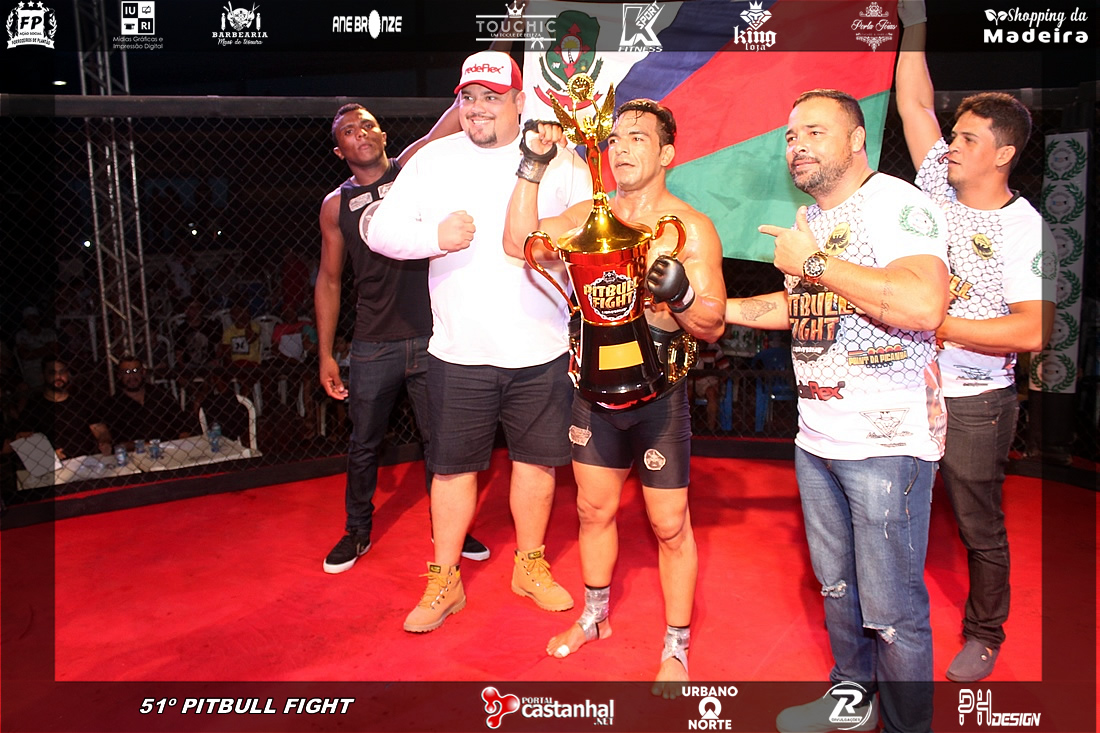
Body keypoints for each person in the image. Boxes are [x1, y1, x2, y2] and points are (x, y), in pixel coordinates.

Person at [724, 89, 950, 733]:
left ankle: (907, 726)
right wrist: (706, 309)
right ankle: (852, 700)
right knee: (838, 588)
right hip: (818, 437)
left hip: (887, 441)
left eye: (814, 132)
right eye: (791, 135)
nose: (797, 145)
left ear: (856, 140)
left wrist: (816, 263)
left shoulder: (898, 204)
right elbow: (806, 307)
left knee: (892, 611)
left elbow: (923, 305)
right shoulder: (812, 220)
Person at [502, 99, 726, 692]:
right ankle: (595, 617)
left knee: (669, 525)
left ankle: (676, 647)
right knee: (591, 510)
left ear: (667, 153)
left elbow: (711, 324)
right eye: (616, 138)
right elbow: (517, 243)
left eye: (638, 138)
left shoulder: (689, 227)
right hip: (593, 393)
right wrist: (532, 164)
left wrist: (681, 296)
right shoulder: (585, 218)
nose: (622, 148)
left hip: (659, 396)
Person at [366, 50, 593, 632]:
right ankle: (444, 580)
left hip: (541, 347)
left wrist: (557, 251)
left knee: (538, 464)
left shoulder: (561, 159)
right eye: (468, 97)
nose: (477, 108)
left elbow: (588, 232)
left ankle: (530, 566)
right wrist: (432, 237)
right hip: (459, 351)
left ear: (519, 100)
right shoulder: (434, 159)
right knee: (450, 470)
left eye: (492, 97)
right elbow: (380, 230)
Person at [895, 0, 1055, 683]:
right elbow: (913, 101)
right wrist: (913, 21)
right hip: (907, 385)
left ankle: (986, 632)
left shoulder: (1025, 230)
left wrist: (936, 322)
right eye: (953, 136)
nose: (950, 146)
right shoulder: (939, 181)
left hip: (977, 399)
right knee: (892, 506)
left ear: (1004, 154)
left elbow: (1033, 329)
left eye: (965, 139)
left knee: (977, 522)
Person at [315, 100, 490, 574]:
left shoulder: (410, 169)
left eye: (368, 124)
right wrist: (325, 354)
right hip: (374, 341)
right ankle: (357, 530)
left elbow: (447, 123)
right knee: (364, 443)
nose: (361, 132)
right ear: (339, 150)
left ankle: (447, 526)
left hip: (431, 335)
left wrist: (474, 86)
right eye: (349, 130)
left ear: (383, 135)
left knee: (442, 441)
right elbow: (329, 279)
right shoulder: (336, 206)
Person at [15, 358, 111, 460]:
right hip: (52, 464)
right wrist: (48, 455)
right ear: (43, 376)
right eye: (52, 373)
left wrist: (105, 442)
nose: (58, 376)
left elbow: (101, 430)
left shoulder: (82, 401)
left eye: (62, 372)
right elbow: (22, 440)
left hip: (86, 460)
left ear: (68, 374)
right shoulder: (34, 407)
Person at [103, 355, 196, 447]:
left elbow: (182, 423)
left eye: (135, 371)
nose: (131, 376)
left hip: (170, 447)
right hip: (136, 452)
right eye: (126, 372)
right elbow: (117, 442)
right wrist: (144, 446)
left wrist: (184, 439)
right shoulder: (113, 404)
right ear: (119, 376)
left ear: (143, 372)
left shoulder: (160, 394)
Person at [14, 306, 59, 392]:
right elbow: (25, 355)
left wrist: (32, 352)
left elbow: (55, 352)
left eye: (34, 318)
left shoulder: (49, 332)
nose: (31, 322)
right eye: (28, 319)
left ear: (38, 319)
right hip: (31, 367)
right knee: (37, 381)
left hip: (49, 364)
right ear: (24, 321)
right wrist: (46, 348)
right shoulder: (21, 335)